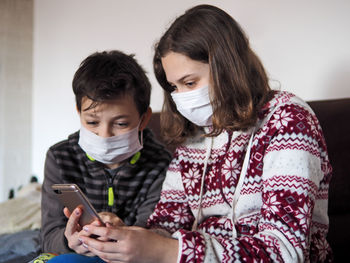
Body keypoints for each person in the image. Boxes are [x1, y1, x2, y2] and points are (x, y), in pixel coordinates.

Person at [76, 5, 332, 262]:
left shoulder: (288, 118)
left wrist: (167, 250)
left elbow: (286, 252)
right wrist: (123, 237)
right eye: (174, 87)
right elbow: (165, 224)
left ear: (227, 67)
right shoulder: (194, 137)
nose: (182, 98)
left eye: (190, 83)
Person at [40, 50, 171, 260]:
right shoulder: (61, 157)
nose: (104, 135)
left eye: (120, 124)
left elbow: (155, 234)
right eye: (92, 122)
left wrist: (121, 231)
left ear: (144, 119)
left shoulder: (160, 164)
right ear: (79, 112)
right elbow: (48, 236)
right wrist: (69, 240)